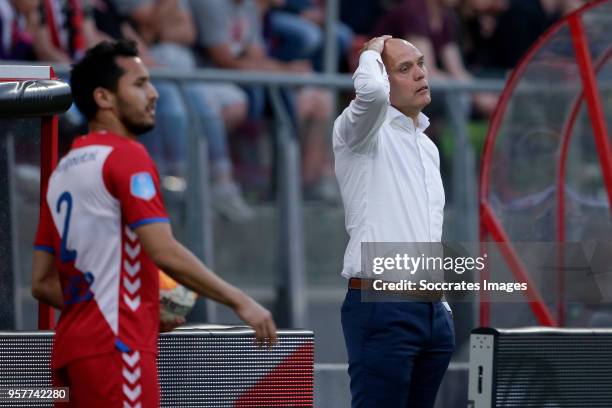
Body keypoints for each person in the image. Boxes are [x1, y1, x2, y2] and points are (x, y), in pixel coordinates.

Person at [31, 40, 277, 408]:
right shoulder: (127, 155)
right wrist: (240, 301)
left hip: (71, 353)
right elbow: (162, 249)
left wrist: (131, 305)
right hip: (119, 349)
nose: (154, 93)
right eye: (140, 83)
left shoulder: (62, 170)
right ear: (104, 98)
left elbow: (41, 283)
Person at [334, 36, 454, 407]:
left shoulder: (426, 145)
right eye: (404, 68)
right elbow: (370, 95)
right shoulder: (359, 131)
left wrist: (442, 306)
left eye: (420, 63)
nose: (420, 74)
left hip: (432, 311)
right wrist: (370, 52)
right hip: (383, 304)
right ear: (383, 79)